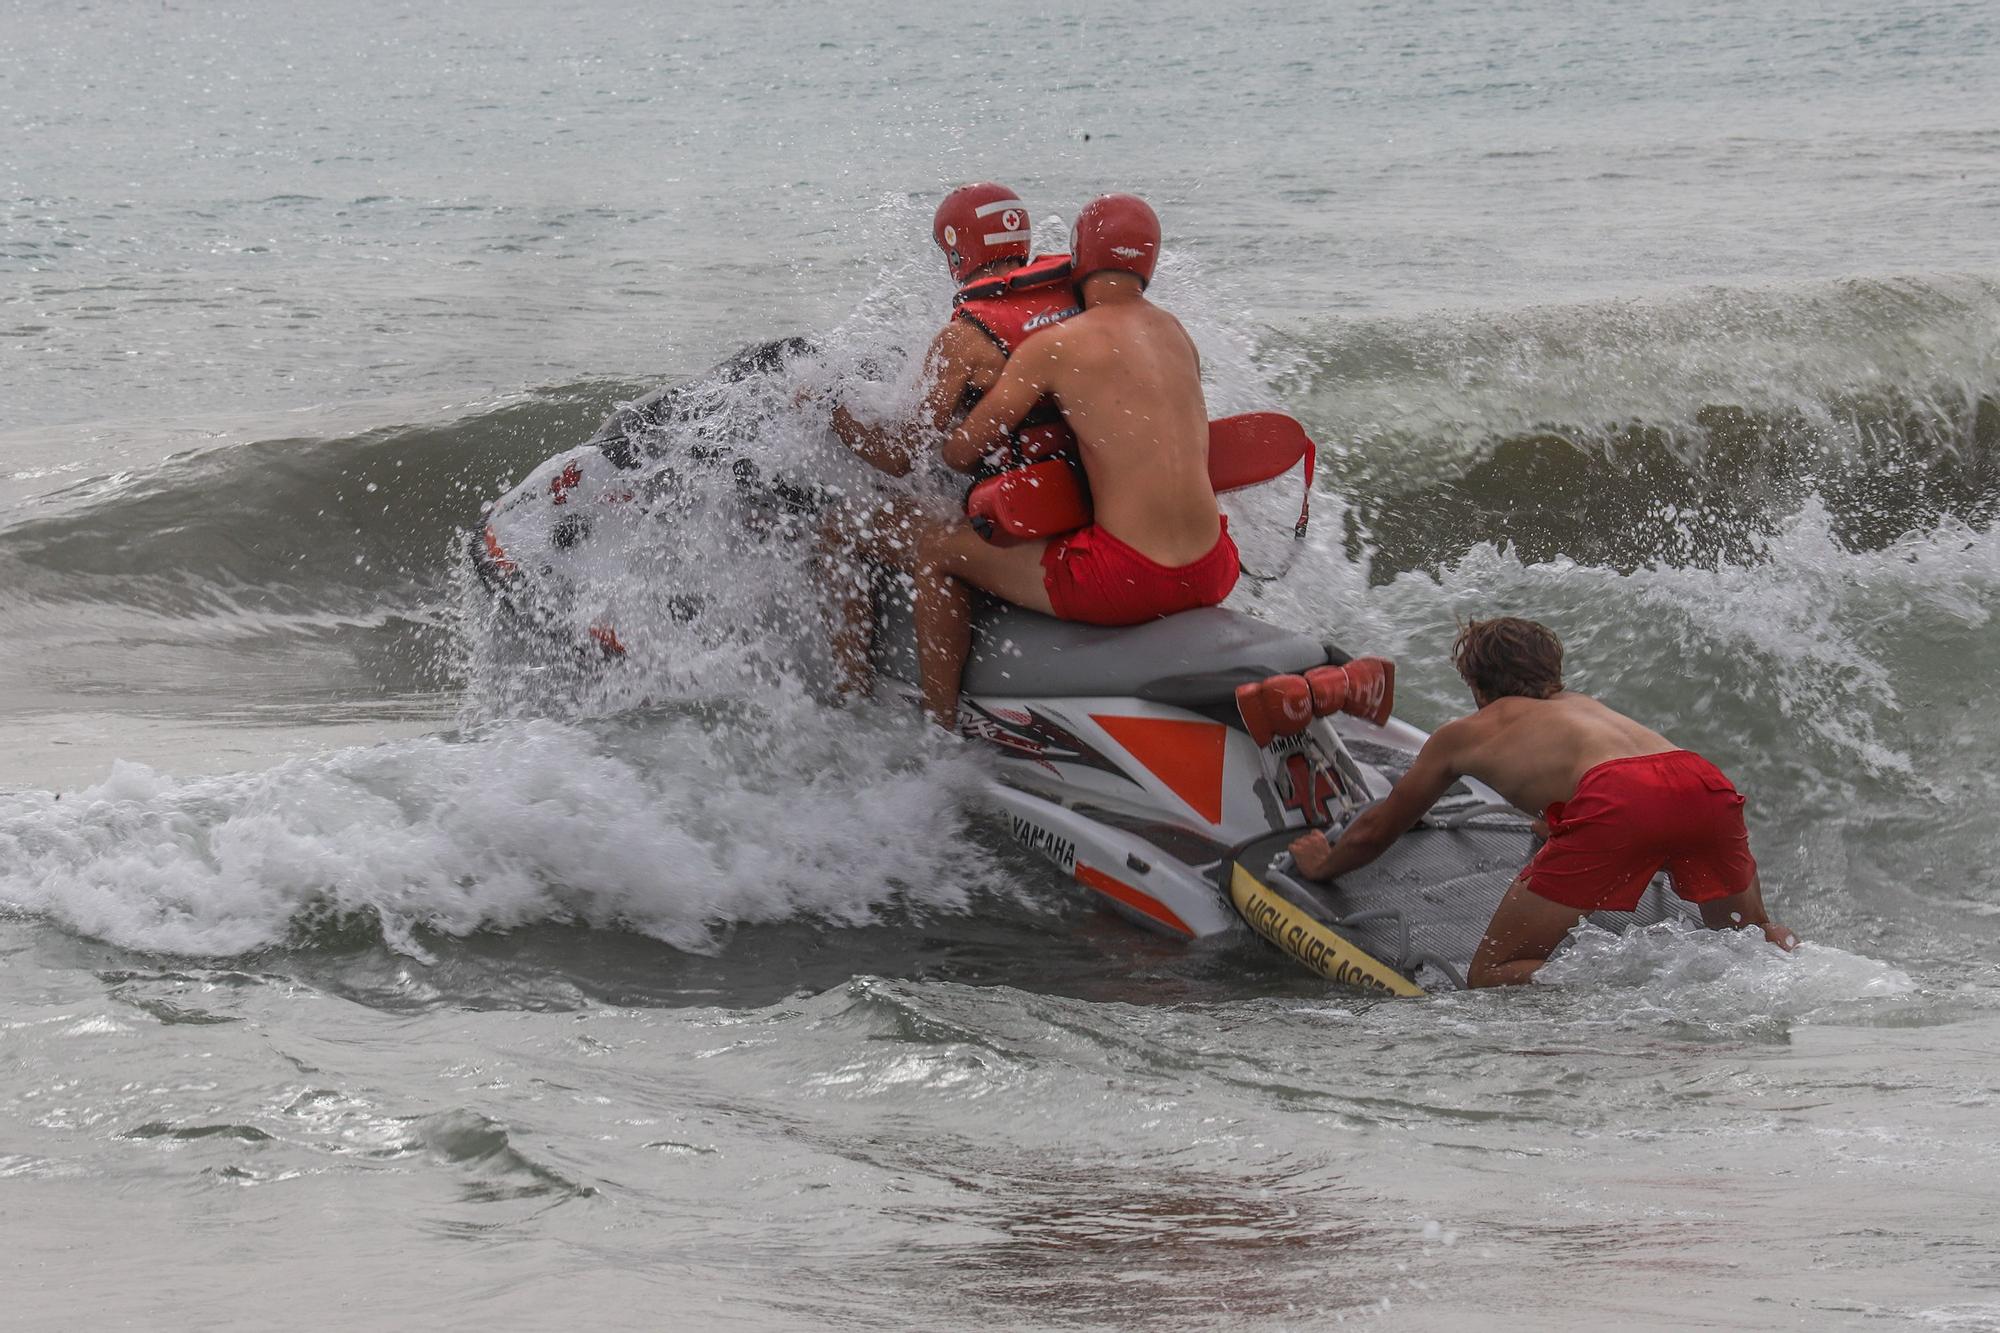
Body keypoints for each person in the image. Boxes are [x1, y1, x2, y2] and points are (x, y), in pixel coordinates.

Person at [826, 192, 1239, 728]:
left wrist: (830, 409)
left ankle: (934, 732)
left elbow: (944, 452)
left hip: (1124, 575)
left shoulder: (1028, 343)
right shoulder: (1173, 333)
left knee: (936, 546)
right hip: (1215, 565)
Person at [1287, 616, 1796, 987]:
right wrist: (1562, 826)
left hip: (1620, 800)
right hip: (1703, 782)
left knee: (1493, 972)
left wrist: (1323, 865)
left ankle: (1638, 986)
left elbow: (1380, 829)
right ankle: (1797, 963)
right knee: (1749, 941)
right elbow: (1639, 784)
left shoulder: (1466, 733)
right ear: (1552, 672)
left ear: (1475, 683)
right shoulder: (1586, 709)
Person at [826, 182, 1083, 478]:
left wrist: (832, 409)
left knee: (840, 523)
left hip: (1022, 503)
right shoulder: (1079, 296)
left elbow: (899, 456)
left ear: (957, 253)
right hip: (1085, 483)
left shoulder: (962, 338)